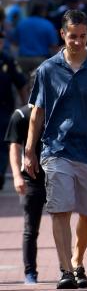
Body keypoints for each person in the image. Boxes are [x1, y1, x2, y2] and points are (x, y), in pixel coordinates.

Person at [24, 9, 87, 289]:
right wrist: (29, 150)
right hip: (56, 148)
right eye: (72, 36)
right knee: (60, 208)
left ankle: (78, 259)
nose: (77, 42)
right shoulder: (47, 69)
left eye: (82, 36)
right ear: (62, 35)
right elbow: (37, 113)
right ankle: (66, 270)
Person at [5, 103, 46, 284]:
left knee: (62, 223)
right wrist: (16, 176)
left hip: (56, 176)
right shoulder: (21, 115)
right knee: (31, 229)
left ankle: (66, 270)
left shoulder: (58, 110)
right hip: (31, 179)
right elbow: (14, 147)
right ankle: (30, 272)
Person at [0, 31, 28, 190]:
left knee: (3, 145)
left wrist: (25, 105)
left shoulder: (7, 60)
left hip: (3, 110)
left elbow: (21, 84)